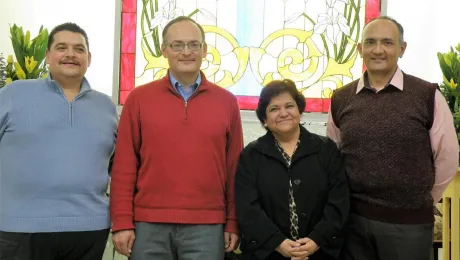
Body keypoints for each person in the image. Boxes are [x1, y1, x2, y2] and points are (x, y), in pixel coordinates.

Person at [110, 16, 244, 259]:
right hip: (147, 225)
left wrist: (233, 221)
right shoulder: (139, 99)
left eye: (194, 45)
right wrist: (121, 222)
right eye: (177, 45)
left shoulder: (226, 102)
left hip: (208, 226)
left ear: (204, 50)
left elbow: (234, 168)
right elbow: (124, 166)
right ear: (164, 50)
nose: (186, 52)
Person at [327, 16, 459, 260]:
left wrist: (422, 199)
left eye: (387, 43)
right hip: (353, 223)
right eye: (370, 42)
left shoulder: (427, 95)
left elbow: (448, 157)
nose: (378, 50)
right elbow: (333, 156)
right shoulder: (341, 98)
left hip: (409, 225)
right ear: (360, 49)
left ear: (402, 49)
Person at [0, 22, 118, 260]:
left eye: (79, 49)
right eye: (62, 47)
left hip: (89, 227)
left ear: (89, 57)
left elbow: (118, 164)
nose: (70, 55)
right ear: (48, 56)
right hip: (19, 227)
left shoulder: (106, 106)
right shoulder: (12, 95)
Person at [235, 79, 349, 260]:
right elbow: (248, 208)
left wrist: (316, 240)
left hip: (321, 252)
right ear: (264, 118)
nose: (283, 113)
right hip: (268, 253)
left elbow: (339, 201)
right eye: (274, 109)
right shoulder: (251, 155)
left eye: (289, 106)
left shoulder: (326, 149)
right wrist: (277, 243)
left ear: (299, 110)